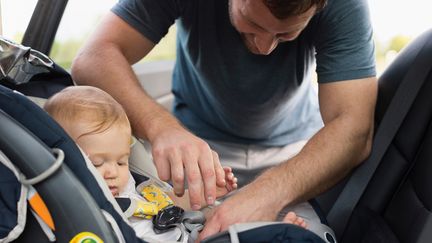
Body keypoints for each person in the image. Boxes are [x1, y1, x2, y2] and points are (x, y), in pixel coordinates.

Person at [71, 0, 377, 240]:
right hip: (194, 149)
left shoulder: (344, 5)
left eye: (286, 34)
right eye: (253, 23)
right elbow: (93, 57)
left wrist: (266, 195)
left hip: (294, 161)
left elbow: (354, 129)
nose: (264, 47)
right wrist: (161, 129)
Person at [44, 86, 309, 242]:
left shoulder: (132, 187)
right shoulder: (84, 202)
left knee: (222, 217)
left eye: (122, 161)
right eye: (97, 163)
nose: (113, 172)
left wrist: (205, 196)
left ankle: (269, 230)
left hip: (188, 231)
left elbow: (166, 204)